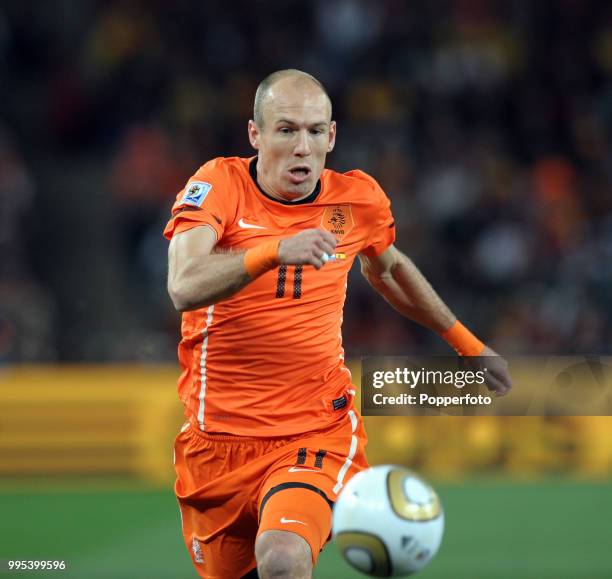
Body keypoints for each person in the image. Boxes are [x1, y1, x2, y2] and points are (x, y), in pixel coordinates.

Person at [164, 69, 512, 579]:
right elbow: (183, 284)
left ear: (331, 136)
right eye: (285, 130)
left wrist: (467, 344)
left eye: (313, 131)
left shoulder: (357, 201)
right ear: (255, 135)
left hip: (313, 433)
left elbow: (389, 270)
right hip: (214, 447)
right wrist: (273, 251)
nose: (301, 146)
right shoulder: (218, 185)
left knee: (282, 558)